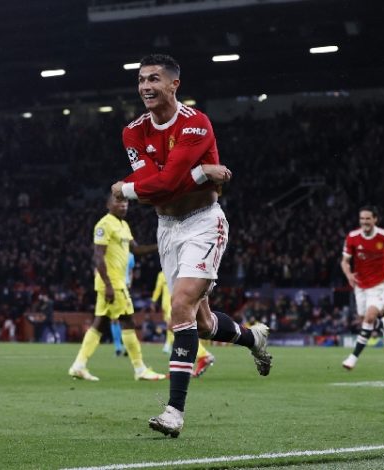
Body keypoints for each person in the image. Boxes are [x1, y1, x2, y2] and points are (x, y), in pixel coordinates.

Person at [111, 54, 272, 437]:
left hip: (203, 223)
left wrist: (125, 189)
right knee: (200, 323)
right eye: (140, 80)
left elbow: (162, 185)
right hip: (167, 227)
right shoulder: (132, 132)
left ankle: (173, 412)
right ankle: (253, 338)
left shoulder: (195, 124)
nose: (145, 87)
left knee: (179, 304)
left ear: (173, 84)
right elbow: (156, 187)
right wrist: (199, 174)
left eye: (153, 79)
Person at [67, 193, 165, 381]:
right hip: (112, 284)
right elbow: (98, 256)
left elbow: (136, 249)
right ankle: (140, 369)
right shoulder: (104, 224)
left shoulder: (124, 226)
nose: (123, 205)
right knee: (128, 321)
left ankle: (78, 365)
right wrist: (109, 285)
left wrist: (160, 245)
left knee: (100, 323)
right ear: (108, 204)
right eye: (118, 201)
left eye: (126, 201)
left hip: (114, 283)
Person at [340, 205, 384, 370]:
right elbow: (344, 261)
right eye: (362, 219)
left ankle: (353, 357)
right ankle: (382, 324)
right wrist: (348, 275)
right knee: (363, 317)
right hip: (360, 285)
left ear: (375, 219)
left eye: (368, 218)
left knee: (369, 317)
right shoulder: (352, 237)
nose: (365, 222)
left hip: (380, 284)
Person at [152, 270, 215, 377]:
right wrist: (153, 300)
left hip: (176, 304)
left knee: (177, 328)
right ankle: (183, 367)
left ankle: (201, 356)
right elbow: (158, 289)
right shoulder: (162, 274)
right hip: (168, 304)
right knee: (175, 329)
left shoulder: (179, 270)